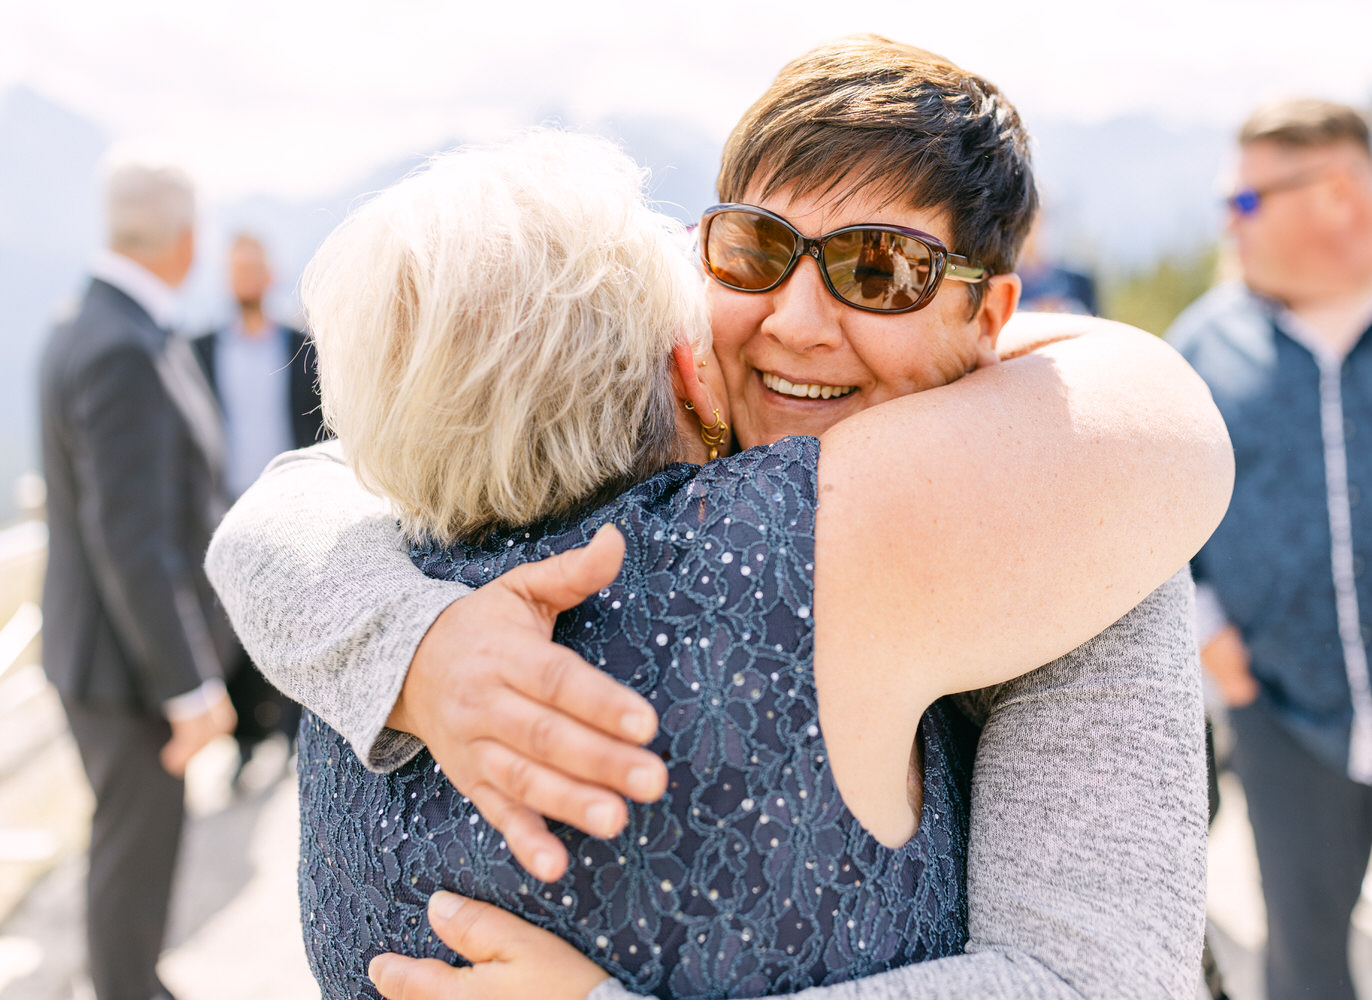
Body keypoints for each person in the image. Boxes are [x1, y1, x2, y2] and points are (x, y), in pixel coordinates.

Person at [209, 36, 1230, 999]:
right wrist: (417, 643)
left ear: (990, 317)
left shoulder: (1086, 507)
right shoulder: (649, 414)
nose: (794, 320)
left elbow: (1097, 976)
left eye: (880, 271)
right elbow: (302, 495)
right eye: (756, 250)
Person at [1169, 98, 1372, 1000]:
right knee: (1304, 977)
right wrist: (1205, 625)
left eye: (1244, 204)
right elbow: (1164, 511)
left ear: (1337, 196)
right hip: (1287, 718)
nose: (1227, 227)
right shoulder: (1205, 341)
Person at [38, 157, 236, 1000]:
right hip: (128, 672)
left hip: (105, 655)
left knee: (132, 853)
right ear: (187, 241)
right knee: (134, 860)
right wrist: (189, 688)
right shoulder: (122, 345)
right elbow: (133, 540)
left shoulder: (84, 321)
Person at [192, 232, 322, 775]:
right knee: (230, 623)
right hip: (221, 506)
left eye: (254, 268)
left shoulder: (300, 345)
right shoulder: (197, 350)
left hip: (288, 502)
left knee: (295, 616)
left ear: (269, 275)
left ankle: (295, 734)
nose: (245, 278)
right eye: (236, 268)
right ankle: (245, 739)